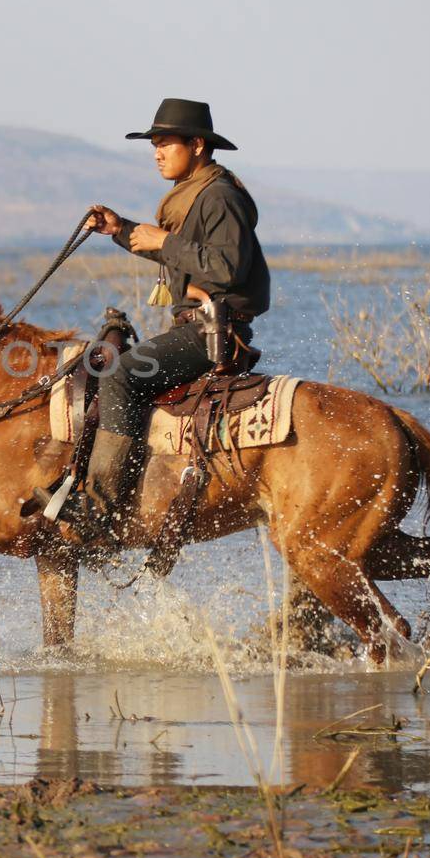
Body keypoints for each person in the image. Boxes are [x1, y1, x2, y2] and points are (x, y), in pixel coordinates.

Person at [59, 97, 270, 542]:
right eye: (153, 144)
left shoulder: (220, 197)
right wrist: (118, 228)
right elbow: (170, 246)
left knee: (118, 375)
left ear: (196, 144)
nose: (156, 152)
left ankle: (99, 509)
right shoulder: (192, 197)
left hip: (211, 331)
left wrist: (165, 241)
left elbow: (229, 266)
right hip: (194, 326)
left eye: (165, 143)